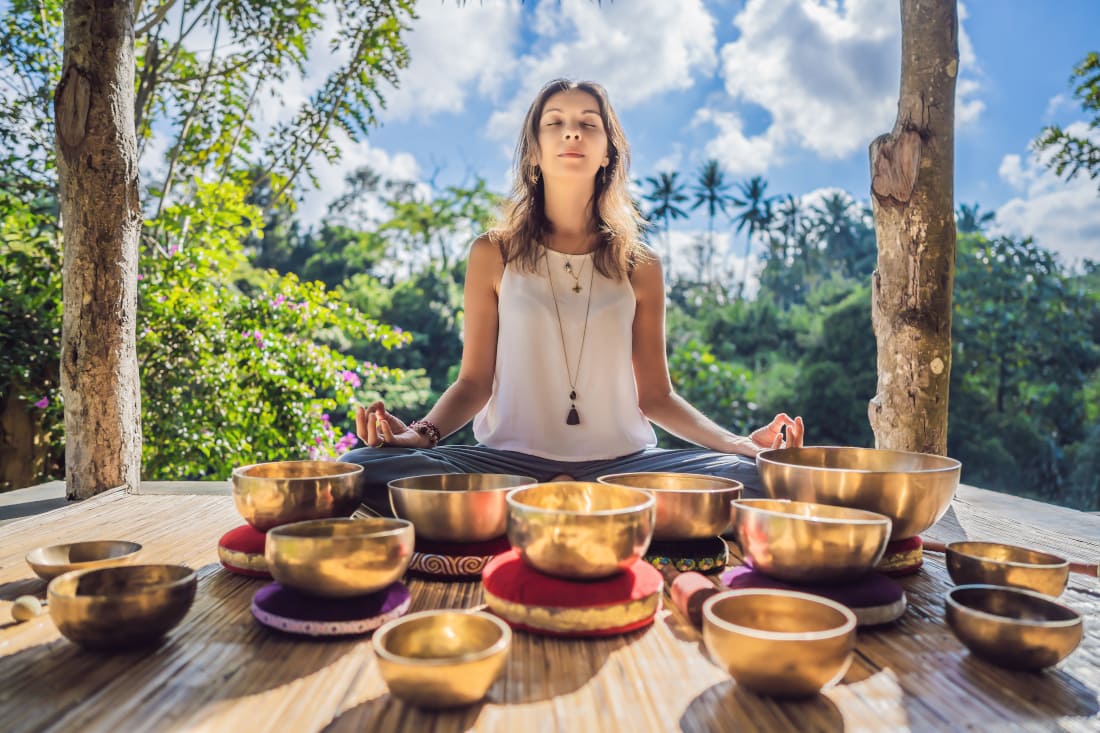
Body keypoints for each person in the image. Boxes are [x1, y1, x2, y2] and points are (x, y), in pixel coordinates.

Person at [340, 78, 804, 516]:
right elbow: (474, 383)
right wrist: (422, 435)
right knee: (364, 468)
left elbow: (657, 398)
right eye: (555, 123)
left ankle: (545, 511)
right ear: (535, 153)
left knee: (767, 476)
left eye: (588, 124)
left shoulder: (639, 265)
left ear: (607, 153)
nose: (572, 134)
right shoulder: (493, 252)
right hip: (504, 468)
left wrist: (738, 444)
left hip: (625, 469)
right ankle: (582, 510)